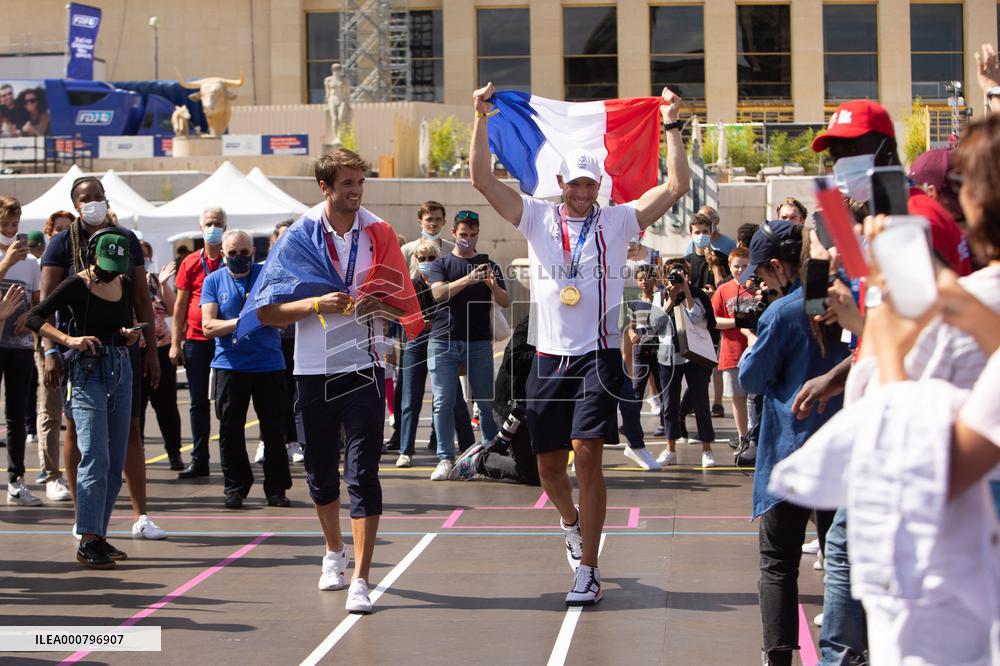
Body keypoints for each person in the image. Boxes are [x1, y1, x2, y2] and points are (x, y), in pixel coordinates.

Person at [470, 80, 690, 605]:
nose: (583, 191)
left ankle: (587, 568)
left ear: (599, 185)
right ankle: (569, 522)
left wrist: (673, 126)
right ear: (561, 182)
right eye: (576, 183)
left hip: (598, 355)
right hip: (547, 358)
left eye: (591, 184)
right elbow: (482, 179)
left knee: (587, 454)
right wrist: (479, 117)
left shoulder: (616, 221)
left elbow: (676, 187)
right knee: (548, 466)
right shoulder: (536, 217)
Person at [253, 148, 422, 614]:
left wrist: (379, 308)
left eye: (359, 182)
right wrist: (315, 305)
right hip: (312, 372)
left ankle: (363, 579)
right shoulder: (298, 238)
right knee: (321, 476)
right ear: (325, 188)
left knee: (364, 473)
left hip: (365, 368)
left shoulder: (379, 234)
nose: (355, 191)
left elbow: (407, 310)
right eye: (346, 183)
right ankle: (333, 552)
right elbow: (266, 312)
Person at [737, 220, 849, 666]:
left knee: (778, 562)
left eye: (762, 273)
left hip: (792, 449)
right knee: (840, 561)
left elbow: (752, 377)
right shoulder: (843, 303)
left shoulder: (782, 313)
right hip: (841, 449)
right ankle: (847, 651)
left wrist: (753, 338)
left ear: (778, 267)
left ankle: (779, 656)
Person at [40, 176, 165, 540]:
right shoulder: (62, 244)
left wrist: (151, 352)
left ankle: (140, 516)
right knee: (80, 436)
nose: (92, 202)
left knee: (130, 431)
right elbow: (45, 306)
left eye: (98, 197)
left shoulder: (124, 239)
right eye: (85, 198)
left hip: (121, 351)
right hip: (78, 354)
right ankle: (85, 521)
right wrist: (51, 352)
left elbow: (142, 298)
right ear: (75, 203)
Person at [26, 227, 142, 568]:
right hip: (87, 371)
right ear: (91, 255)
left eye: (115, 267)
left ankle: (99, 535)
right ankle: (87, 537)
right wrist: (67, 340)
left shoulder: (125, 283)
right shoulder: (77, 283)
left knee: (115, 457)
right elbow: (34, 317)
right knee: (95, 455)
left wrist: (129, 337)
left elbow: (124, 325)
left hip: (120, 369)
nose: (109, 272)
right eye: (105, 265)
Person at [202, 230, 292, 508]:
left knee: (274, 429)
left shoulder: (266, 277)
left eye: (244, 252)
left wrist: (253, 318)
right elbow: (208, 326)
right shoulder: (213, 280)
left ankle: (276, 489)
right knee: (230, 429)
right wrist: (245, 321)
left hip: (268, 365)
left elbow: (281, 321)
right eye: (232, 253)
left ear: (253, 251)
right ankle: (235, 487)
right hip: (230, 366)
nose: (239, 258)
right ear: (223, 254)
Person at [425, 210, 507, 480]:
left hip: (479, 341)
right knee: (443, 401)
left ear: (478, 234)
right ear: (453, 234)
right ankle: (445, 458)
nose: (468, 241)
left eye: (472, 235)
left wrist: (493, 286)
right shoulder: (442, 264)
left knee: (485, 402)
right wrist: (469, 279)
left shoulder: (490, 265)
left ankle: (489, 456)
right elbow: (437, 293)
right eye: (463, 235)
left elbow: (505, 301)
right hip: (443, 339)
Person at [395, 239, 475, 468]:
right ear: (415, 260)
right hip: (417, 341)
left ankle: (469, 445)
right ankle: (405, 450)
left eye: (432, 258)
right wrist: (421, 322)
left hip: (442, 340)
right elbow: (403, 315)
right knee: (410, 398)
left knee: (455, 398)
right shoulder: (410, 285)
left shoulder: (446, 283)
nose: (427, 262)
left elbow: (454, 314)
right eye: (422, 258)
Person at [449, 313, 541, 485]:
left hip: (536, 407)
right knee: (532, 475)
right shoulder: (533, 322)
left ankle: (493, 447)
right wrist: (545, 354)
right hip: (511, 406)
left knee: (548, 466)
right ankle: (481, 461)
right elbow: (512, 360)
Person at [170, 207, 227, 478]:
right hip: (196, 340)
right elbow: (180, 305)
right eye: (208, 223)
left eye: (217, 223)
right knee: (197, 403)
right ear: (200, 226)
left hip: (227, 340)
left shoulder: (233, 260)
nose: (212, 227)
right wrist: (174, 342)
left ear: (225, 226)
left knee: (227, 403)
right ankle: (199, 459)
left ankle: (230, 460)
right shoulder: (191, 262)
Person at [650, 258, 717, 468]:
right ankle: (670, 449)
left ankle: (707, 450)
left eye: (680, 274)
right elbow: (654, 324)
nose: (677, 278)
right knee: (669, 405)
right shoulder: (659, 296)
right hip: (668, 355)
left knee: (701, 403)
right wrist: (669, 301)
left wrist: (687, 291)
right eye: (672, 274)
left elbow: (697, 317)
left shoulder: (698, 295)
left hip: (694, 355)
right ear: (665, 276)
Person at [0, 197, 43, 506]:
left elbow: (39, 302)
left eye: (14, 225)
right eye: (4, 225)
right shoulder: (10, 259)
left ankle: (16, 480)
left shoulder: (31, 263)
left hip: (20, 346)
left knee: (16, 413)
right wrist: (6, 263)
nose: (10, 230)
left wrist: (30, 324)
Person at [138, 240, 183, 471]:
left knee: (166, 406)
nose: (143, 259)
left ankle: (174, 453)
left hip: (161, 348)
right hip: (135, 350)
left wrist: (164, 285)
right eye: (140, 254)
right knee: (136, 407)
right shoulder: (123, 281)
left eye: (146, 255)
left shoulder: (154, 280)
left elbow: (174, 310)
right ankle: (136, 454)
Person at [262, 220, 303, 465]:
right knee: (271, 398)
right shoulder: (266, 267)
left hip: (296, 338)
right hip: (270, 341)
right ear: (273, 240)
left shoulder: (303, 265)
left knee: (295, 394)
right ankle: (266, 442)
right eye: (281, 236)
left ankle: (294, 441)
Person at [711, 247, 755, 450]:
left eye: (745, 266)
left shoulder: (758, 287)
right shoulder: (723, 290)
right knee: (738, 398)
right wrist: (737, 321)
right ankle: (742, 437)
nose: (740, 270)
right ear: (730, 266)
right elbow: (713, 321)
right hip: (732, 351)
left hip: (756, 349)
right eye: (737, 266)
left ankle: (756, 435)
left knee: (755, 397)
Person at [683, 212, 730, 295]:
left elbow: (728, 289)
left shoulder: (723, 259)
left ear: (710, 233)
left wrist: (714, 294)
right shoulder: (686, 262)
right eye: (697, 232)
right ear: (691, 235)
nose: (701, 235)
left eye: (705, 231)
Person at [399, 201, 455, 269]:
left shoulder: (453, 249)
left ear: (443, 222)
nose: (433, 223)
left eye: (438, 219)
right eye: (429, 219)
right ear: (420, 222)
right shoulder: (407, 250)